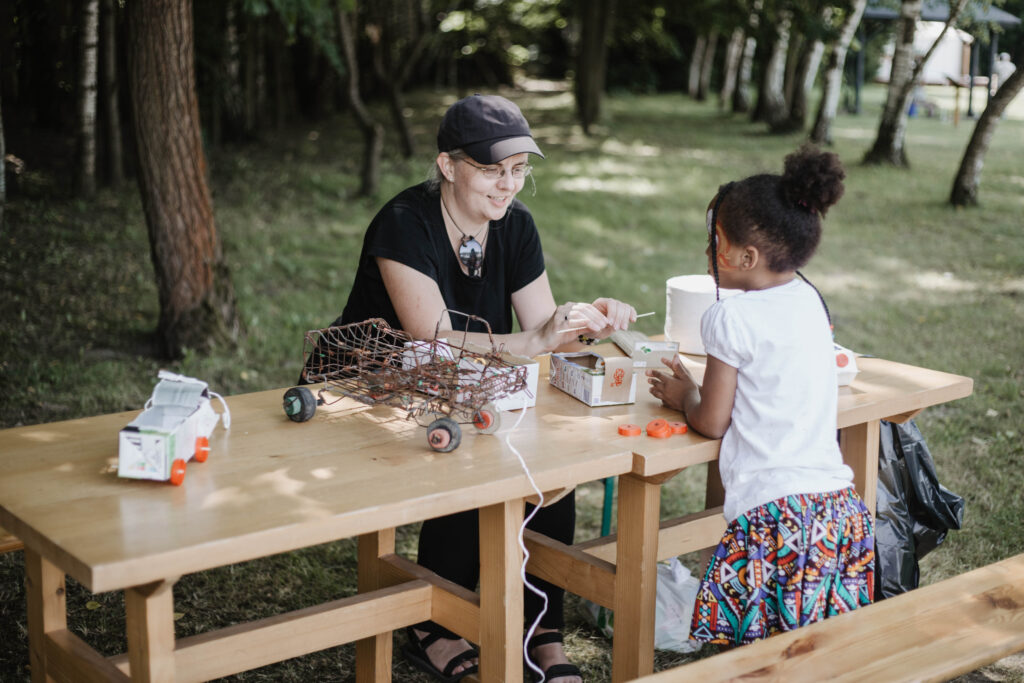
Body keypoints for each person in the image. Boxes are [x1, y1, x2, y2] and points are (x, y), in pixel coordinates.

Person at [319, 94, 636, 682]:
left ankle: (543, 631)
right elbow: (433, 335)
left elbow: (545, 329)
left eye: (518, 170)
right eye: (492, 169)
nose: (508, 185)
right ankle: (434, 625)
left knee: (550, 458)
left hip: (461, 382)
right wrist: (535, 340)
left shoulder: (516, 225)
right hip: (372, 385)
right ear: (448, 165)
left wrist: (587, 322)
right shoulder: (404, 222)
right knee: (471, 449)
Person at [645, 146, 875, 647]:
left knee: (759, 659)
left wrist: (685, 394)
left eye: (716, 240)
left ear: (746, 258)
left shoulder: (730, 316)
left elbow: (712, 421)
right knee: (816, 654)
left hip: (774, 518)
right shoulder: (809, 299)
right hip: (836, 511)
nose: (708, 250)